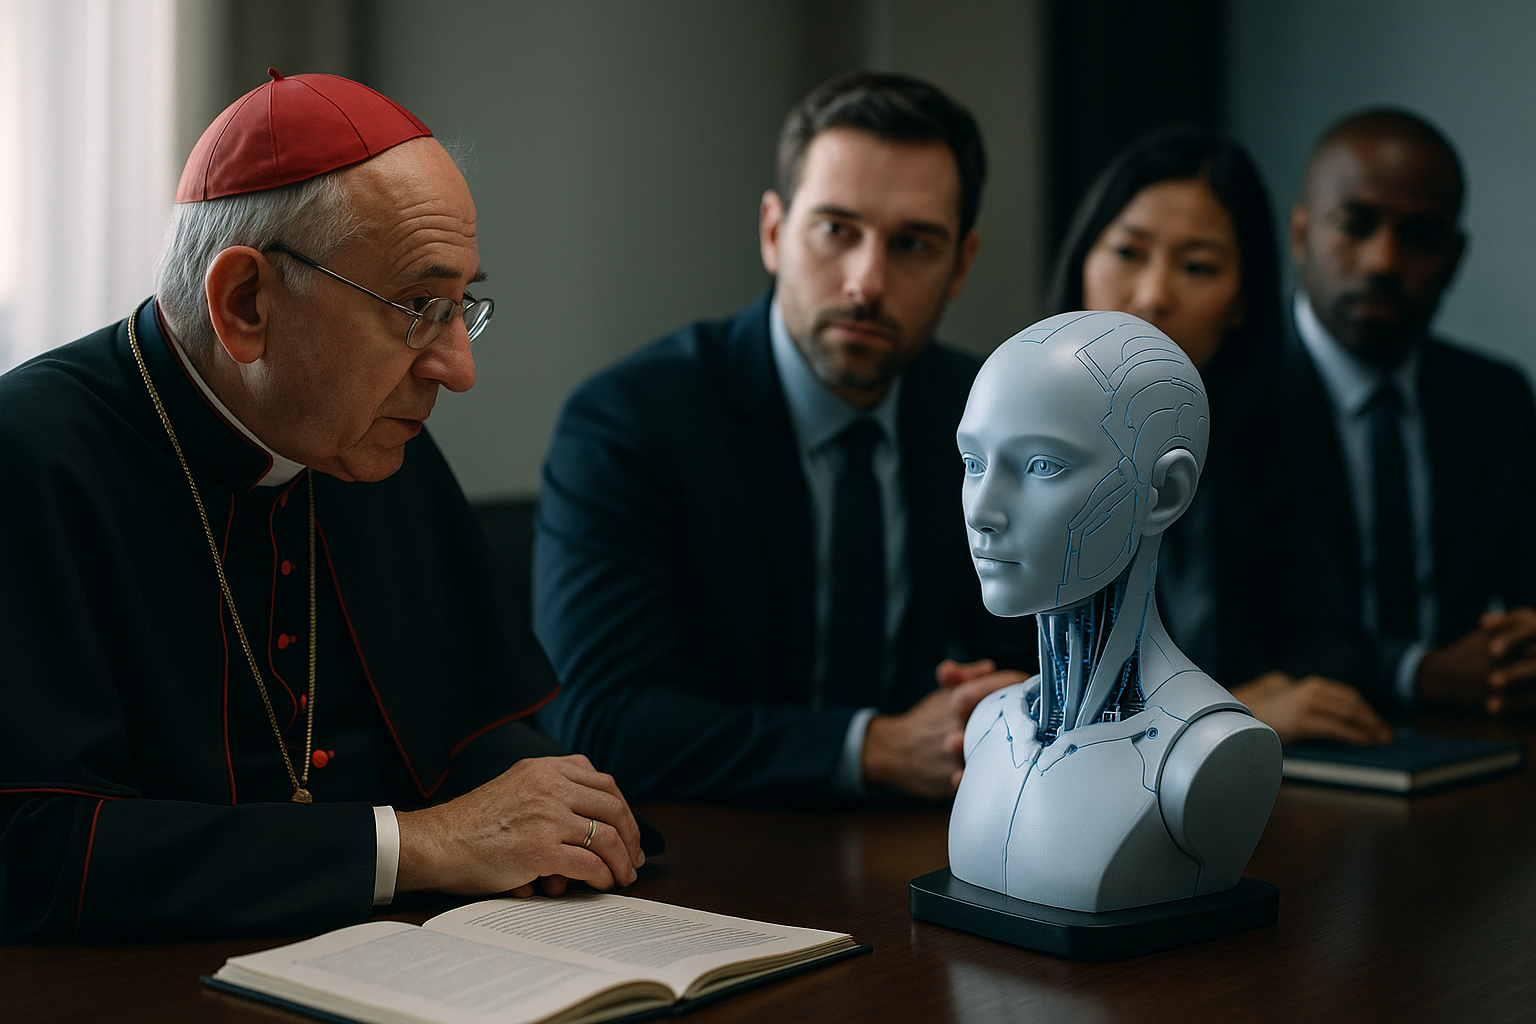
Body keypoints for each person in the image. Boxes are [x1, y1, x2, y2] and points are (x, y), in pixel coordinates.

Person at [0, 72, 644, 943]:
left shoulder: (369, 441)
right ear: (247, 304)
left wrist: (563, 816)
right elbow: (31, 853)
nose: (458, 367)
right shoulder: (30, 456)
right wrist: (411, 847)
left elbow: (466, 733)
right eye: (419, 308)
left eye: (462, 309)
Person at [534, 72, 1035, 805]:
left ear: (960, 264)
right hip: (704, 875)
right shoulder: (630, 421)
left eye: (914, 244)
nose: (866, 280)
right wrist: (870, 747)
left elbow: (1039, 656)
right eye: (837, 231)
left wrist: (998, 704)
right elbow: (598, 719)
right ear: (774, 233)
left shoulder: (990, 414)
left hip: (926, 856)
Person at [1047, 126, 1393, 745]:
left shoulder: (1270, 432)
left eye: (1197, 267)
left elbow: (1335, 647)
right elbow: (1025, 698)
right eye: (1128, 253)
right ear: (1081, 265)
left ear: (1242, 303)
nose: (1153, 295)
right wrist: (1221, 713)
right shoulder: (999, 441)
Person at [1278, 108, 1536, 716]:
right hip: (1286, 758)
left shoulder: (1495, 399)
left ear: (1455, 256)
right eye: (1355, 225)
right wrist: (1416, 673)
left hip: (1476, 741)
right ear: (1301, 234)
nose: (1383, 262)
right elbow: (1233, 628)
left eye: (1421, 235)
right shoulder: (1233, 396)